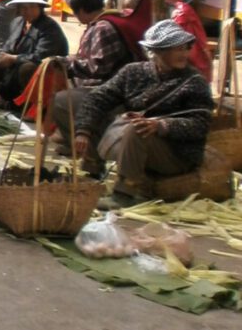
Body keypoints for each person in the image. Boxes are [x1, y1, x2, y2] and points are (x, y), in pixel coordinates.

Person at [74, 19, 214, 209]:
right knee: (101, 112)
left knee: (138, 129)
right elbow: (98, 97)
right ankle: (91, 174)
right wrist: (83, 130)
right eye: (176, 49)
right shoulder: (133, 72)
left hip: (176, 153)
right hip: (133, 143)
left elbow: (200, 124)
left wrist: (161, 125)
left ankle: (124, 193)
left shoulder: (194, 82)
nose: (184, 54)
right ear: (157, 52)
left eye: (185, 48)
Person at [50, 0, 151, 151]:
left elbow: (98, 67)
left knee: (60, 101)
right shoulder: (111, 20)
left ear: (81, 10)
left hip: (112, 91)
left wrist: (65, 64)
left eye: (75, 12)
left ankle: (88, 151)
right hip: (117, 87)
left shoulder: (102, 28)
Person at [0, 0, 68, 106]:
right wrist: (4, 56)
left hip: (45, 70)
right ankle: (8, 98)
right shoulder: (18, 22)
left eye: (32, 7)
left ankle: (31, 104)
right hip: (16, 66)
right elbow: (9, 47)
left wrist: (15, 59)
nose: (27, 11)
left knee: (27, 68)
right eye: (23, 7)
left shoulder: (49, 28)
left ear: (40, 7)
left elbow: (41, 57)